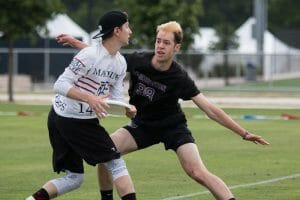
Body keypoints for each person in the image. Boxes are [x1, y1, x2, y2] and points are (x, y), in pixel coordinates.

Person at [56, 21, 270, 200]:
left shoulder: (180, 77)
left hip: (173, 128)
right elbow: (104, 56)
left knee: (197, 172)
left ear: (176, 47)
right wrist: (77, 43)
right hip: (142, 126)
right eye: (158, 41)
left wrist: (243, 133)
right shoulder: (139, 60)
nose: (160, 46)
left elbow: (210, 109)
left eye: (166, 43)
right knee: (105, 153)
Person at [26, 10, 138, 200]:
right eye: (127, 26)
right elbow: (60, 85)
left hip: (63, 116)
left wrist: (127, 109)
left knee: (74, 178)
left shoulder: (120, 63)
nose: (131, 31)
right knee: (116, 164)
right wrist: (90, 98)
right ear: (117, 31)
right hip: (71, 120)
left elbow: (115, 99)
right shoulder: (88, 55)